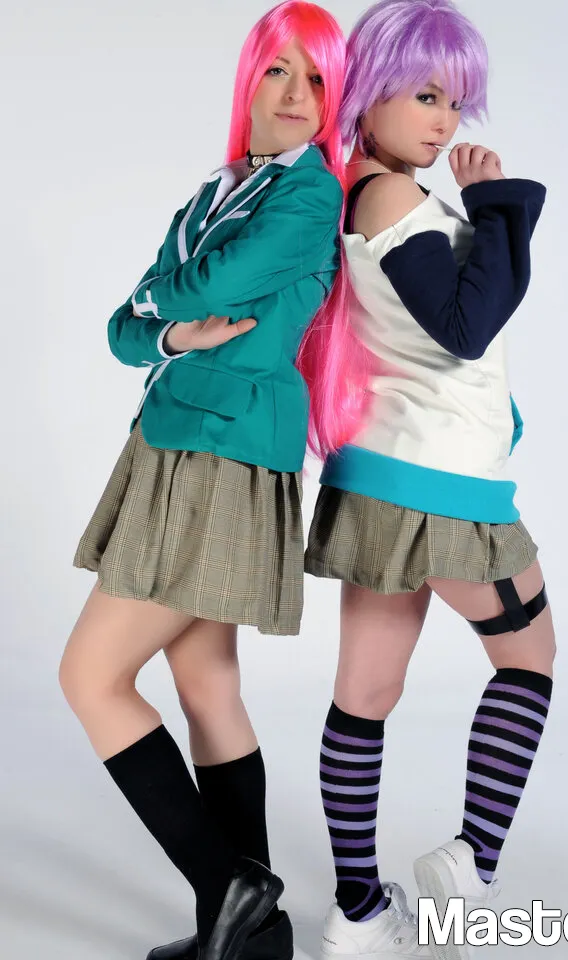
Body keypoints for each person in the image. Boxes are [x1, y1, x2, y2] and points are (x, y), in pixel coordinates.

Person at [59, 4, 362, 960]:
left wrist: (168, 309)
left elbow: (196, 290)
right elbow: (124, 332)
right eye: (278, 71)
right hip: (180, 438)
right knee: (204, 680)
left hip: (220, 448)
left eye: (316, 79)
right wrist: (168, 327)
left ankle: (227, 883)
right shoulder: (215, 193)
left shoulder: (309, 194)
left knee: (90, 676)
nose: (296, 95)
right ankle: (249, 934)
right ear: (249, 79)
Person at [304, 2, 554, 959]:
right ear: (369, 92)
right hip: (440, 482)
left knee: (364, 694)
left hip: (381, 477)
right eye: (423, 95)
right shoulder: (389, 199)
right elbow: (467, 325)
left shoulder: (364, 191)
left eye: (454, 100)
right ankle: (468, 863)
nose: (445, 120)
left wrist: (486, 212)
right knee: (528, 661)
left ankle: (357, 911)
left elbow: (461, 316)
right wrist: (495, 205)